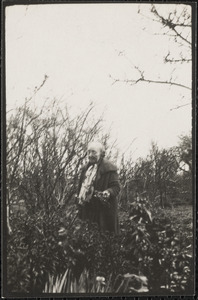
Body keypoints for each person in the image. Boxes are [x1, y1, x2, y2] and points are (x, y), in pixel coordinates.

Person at [77, 141, 120, 234]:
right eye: (88, 152)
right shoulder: (85, 169)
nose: (90, 155)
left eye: (94, 152)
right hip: (88, 210)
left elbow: (116, 187)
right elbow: (80, 189)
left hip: (103, 212)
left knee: (105, 238)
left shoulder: (109, 168)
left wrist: (108, 192)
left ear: (101, 153)